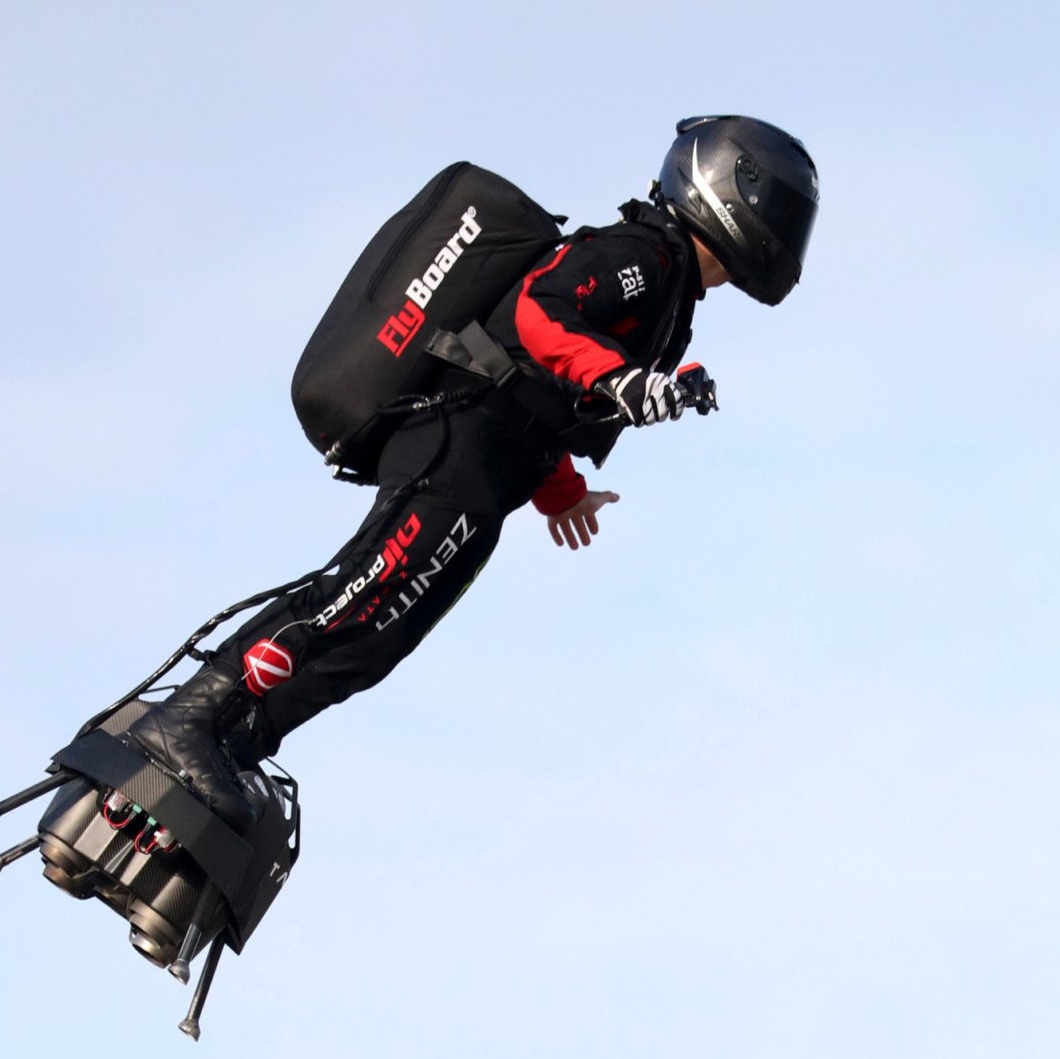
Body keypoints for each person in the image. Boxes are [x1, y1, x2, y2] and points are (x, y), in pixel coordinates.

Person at [124, 116, 820, 832]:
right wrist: (625, 381)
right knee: (360, 591)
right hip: (454, 445)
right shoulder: (643, 254)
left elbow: (546, 396)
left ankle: (237, 742)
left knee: (371, 644)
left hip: (493, 475)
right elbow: (534, 316)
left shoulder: (674, 301)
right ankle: (187, 719)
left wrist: (562, 490)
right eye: (785, 211)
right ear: (734, 189)